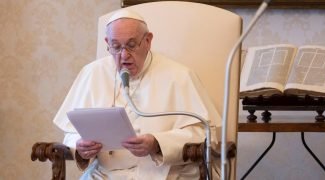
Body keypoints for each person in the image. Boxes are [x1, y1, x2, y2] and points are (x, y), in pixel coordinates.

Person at [53, 9, 221, 179]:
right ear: (107, 43)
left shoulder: (179, 75)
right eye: (116, 46)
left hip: (167, 174)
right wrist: (79, 146)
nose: (124, 55)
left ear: (148, 41)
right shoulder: (92, 73)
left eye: (132, 45)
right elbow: (71, 132)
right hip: (105, 174)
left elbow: (205, 135)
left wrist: (157, 143)